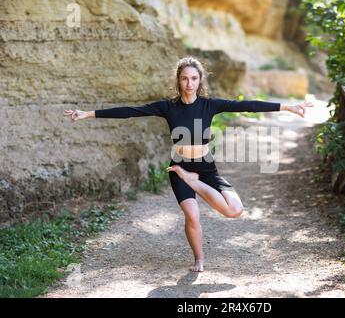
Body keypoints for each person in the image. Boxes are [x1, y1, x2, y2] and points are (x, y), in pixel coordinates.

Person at [64, 57, 313, 272]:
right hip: (179, 168)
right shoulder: (167, 107)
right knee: (192, 216)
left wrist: (288, 107)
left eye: (194, 78)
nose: (189, 83)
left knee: (235, 210)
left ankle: (194, 182)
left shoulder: (210, 104)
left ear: (200, 80)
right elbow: (131, 110)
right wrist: (88, 114)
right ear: (178, 80)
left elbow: (248, 105)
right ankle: (199, 258)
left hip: (205, 168)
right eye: (184, 78)